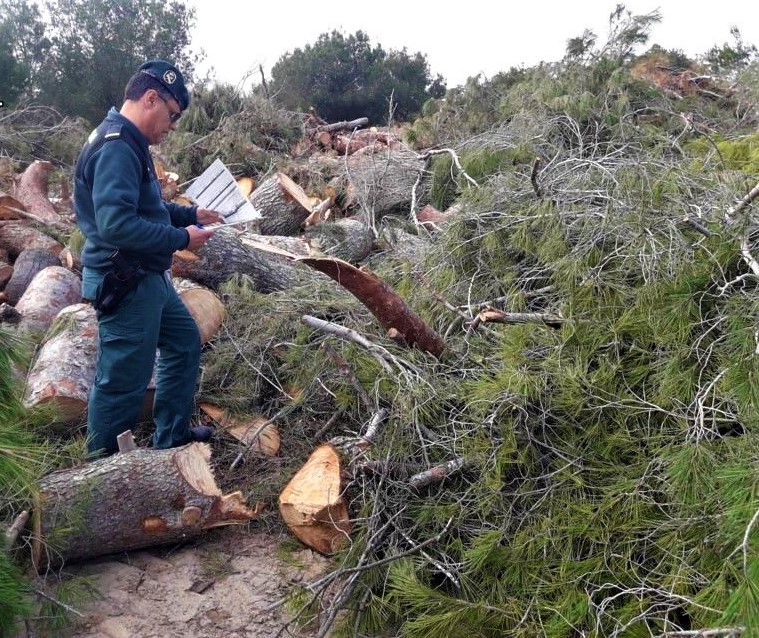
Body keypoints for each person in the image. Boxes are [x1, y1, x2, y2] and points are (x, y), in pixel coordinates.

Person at [74, 59, 224, 457]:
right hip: (125, 280)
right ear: (151, 98)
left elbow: (148, 207)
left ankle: (171, 437)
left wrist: (191, 214)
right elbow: (116, 225)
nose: (171, 127)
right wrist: (181, 238)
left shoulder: (129, 141)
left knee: (184, 342)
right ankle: (101, 471)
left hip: (148, 276)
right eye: (171, 116)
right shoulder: (117, 147)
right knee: (123, 381)